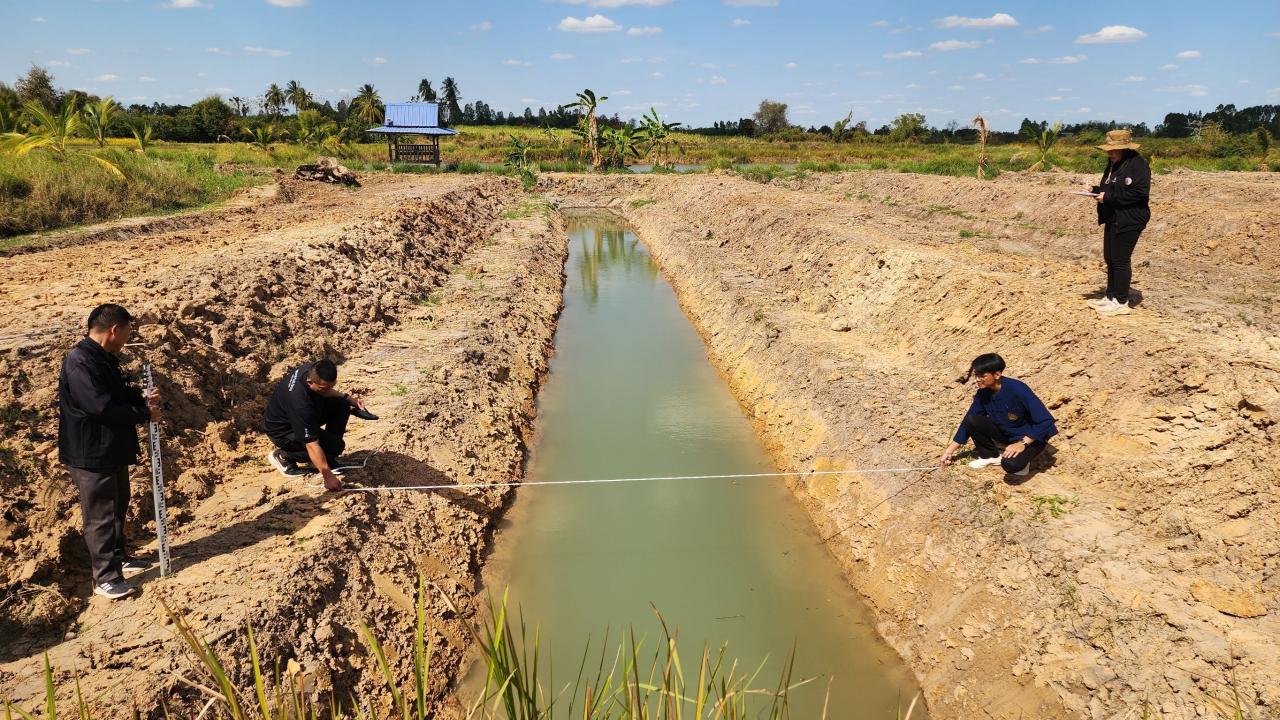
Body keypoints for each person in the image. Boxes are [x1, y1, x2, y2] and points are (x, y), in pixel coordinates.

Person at [58, 304, 160, 600]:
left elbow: (114, 393)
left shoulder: (100, 358)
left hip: (110, 448)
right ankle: (105, 578)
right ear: (114, 330)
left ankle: (119, 557)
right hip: (91, 452)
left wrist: (139, 395)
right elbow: (100, 407)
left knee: (117, 506)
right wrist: (144, 413)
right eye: (127, 332)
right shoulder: (80, 362)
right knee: (100, 514)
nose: (128, 338)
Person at [261, 359, 377, 491]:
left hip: (301, 415)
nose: (328, 390)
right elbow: (311, 444)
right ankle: (284, 456)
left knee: (342, 404)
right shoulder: (300, 404)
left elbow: (327, 390)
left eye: (331, 386)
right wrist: (328, 476)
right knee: (336, 446)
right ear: (310, 382)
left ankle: (328, 456)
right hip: (283, 431)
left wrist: (348, 398)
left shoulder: (315, 369)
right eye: (324, 388)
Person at [939, 353, 1057, 477]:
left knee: (1010, 465)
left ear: (997, 375)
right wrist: (949, 451)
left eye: (982, 376)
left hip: (1031, 438)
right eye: (976, 375)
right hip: (1007, 433)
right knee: (971, 420)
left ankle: (1024, 461)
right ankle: (990, 456)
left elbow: (1046, 420)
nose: (977, 379)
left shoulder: (1017, 389)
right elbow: (967, 422)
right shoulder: (983, 393)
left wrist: (1022, 443)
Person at [1083, 129, 1151, 317]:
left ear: (1125, 148)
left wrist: (1108, 197)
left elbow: (1139, 193)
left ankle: (1121, 301)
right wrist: (1094, 190)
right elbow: (1110, 188)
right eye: (1109, 150)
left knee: (1120, 259)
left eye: (1114, 150)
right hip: (1113, 216)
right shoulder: (1114, 164)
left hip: (1130, 218)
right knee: (1110, 257)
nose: (1110, 153)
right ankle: (1111, 296)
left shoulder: (1138, 165)